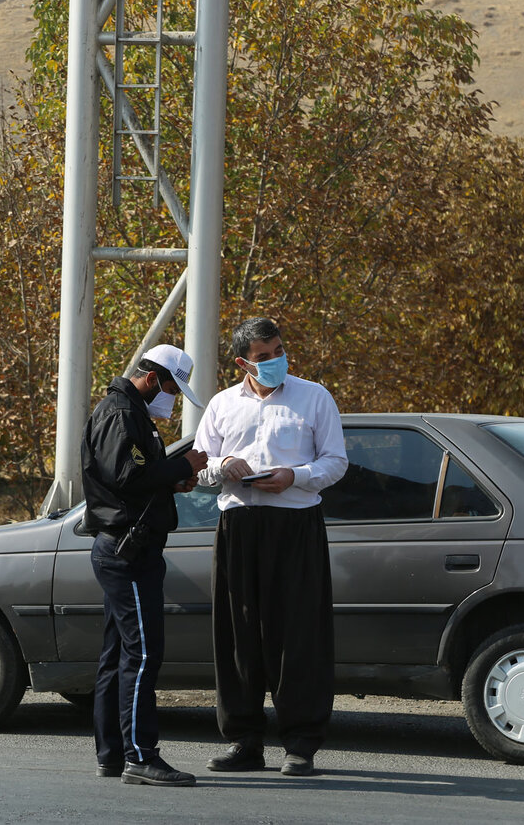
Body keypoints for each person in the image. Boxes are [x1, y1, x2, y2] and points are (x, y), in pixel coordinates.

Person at [193, 317, 348, 777]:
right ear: (243, 362)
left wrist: (294, 476)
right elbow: (200, 466)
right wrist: (224, 465)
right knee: (238, 636)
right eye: (264, 356)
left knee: (297, 635)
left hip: (295, 524)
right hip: (239, 524)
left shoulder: (314, 397)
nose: (275, 361)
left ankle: (300, 744)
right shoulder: (222, 404)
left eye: (278, 351)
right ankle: (244, 741)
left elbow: (336, 462)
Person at [81, 344, 208, 787]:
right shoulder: (122, 414)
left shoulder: (131, 412)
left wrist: (174, 478)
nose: (172, 399)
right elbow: (126, 477)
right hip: (127, 553)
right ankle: (139, 755)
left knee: (117, 656)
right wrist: (181, 463)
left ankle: (113, 754)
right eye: (172, 387)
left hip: (129, 549)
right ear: (153, 378)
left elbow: (136, 480)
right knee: (143, 653)